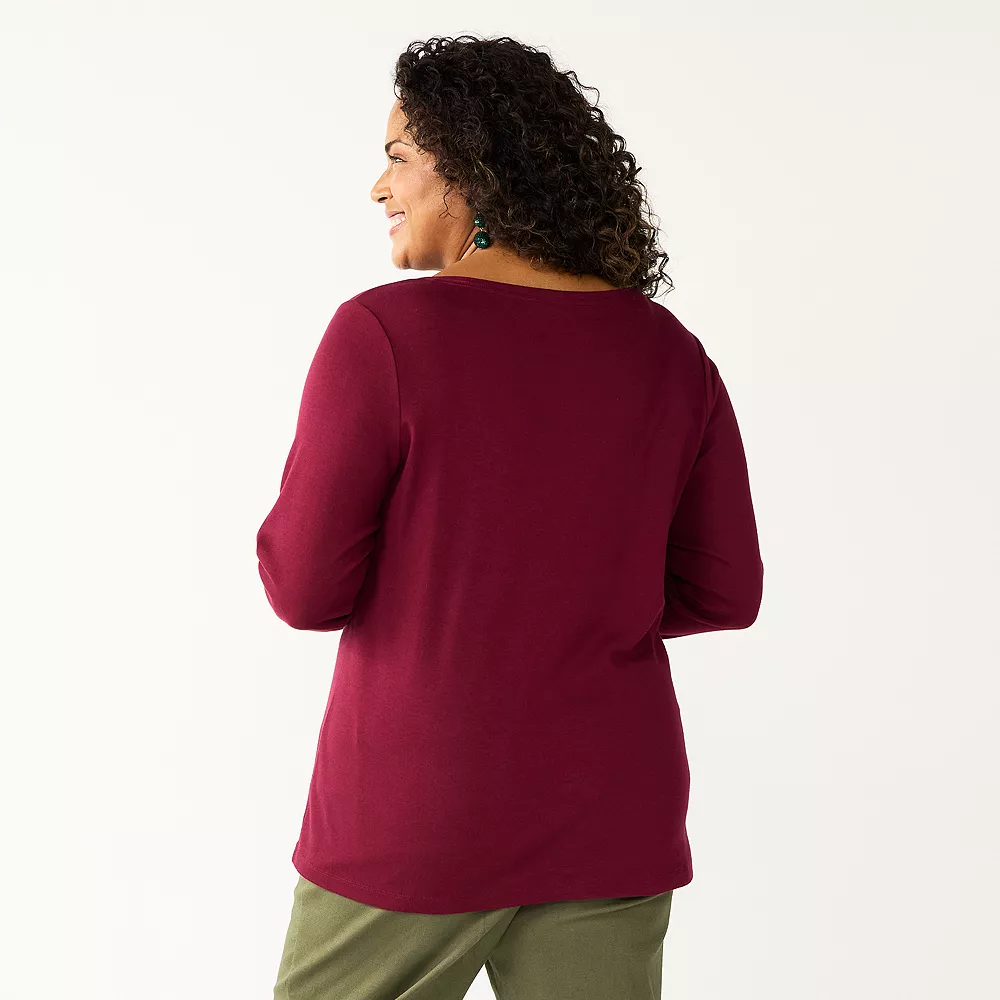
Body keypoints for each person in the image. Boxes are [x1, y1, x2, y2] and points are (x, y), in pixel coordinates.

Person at [258, 33, 764, 1000]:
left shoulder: (384, 335)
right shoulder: (669, 353)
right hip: (611, 807)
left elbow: (305, 588)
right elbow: (724, 590)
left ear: (470, 169)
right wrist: (571, 608)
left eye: (400, 156)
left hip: (418, 810)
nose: (379, 186)